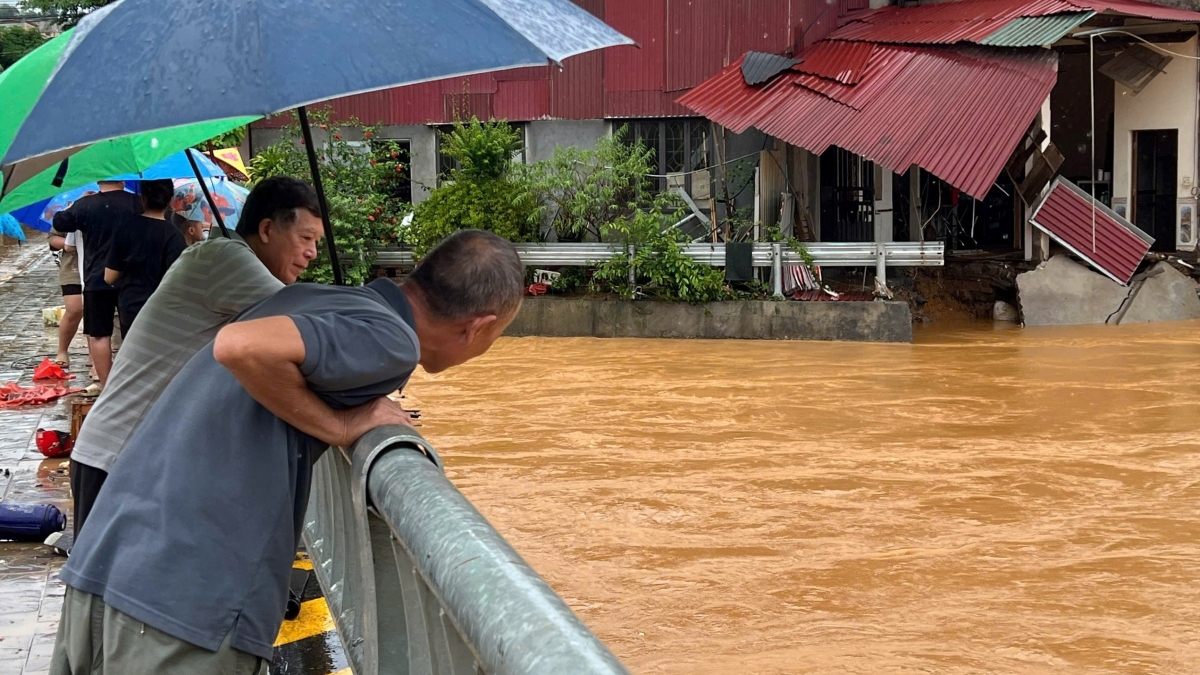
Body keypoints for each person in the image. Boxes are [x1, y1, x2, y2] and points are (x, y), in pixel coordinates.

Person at [51, 230, 524, 675]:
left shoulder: (325, 299)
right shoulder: (394, 339)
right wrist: (340, 426)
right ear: (478, 328)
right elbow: (238, 345)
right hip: (181, 601)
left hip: (106, 562)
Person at [68, 176, 329, 538]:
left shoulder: (223, 259)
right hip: (117, 461)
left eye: (316, 241)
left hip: (133, 459)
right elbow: (316, 327)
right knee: (109, 595)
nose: (313, 252)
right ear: (267, 229)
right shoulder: (226, 260)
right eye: (305, 238)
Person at [52, 180, 143, 386]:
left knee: (100, 334)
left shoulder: (85, 205)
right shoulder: (137, 202)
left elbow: (60, 222)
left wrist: (76, 203)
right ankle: (133, 382)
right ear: (123, 180)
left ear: (99, 180)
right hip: (132, 278)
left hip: (96, 278)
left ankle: (105, 385)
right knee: (133, 332)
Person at [103, 179, 186, 335]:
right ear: (169, 200)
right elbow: (178, 282)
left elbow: (109, 277)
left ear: (143, 197)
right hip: (161, 311)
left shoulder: (125, 228)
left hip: (130, 307)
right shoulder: (175, 236)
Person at [47, 227, 84, 367]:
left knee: (95, 312)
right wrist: (67, 244)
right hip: (73, 269)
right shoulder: (69, 212)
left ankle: (96, 358)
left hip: (98, 266)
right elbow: (52, 238)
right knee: (75, 309)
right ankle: (62, 351)